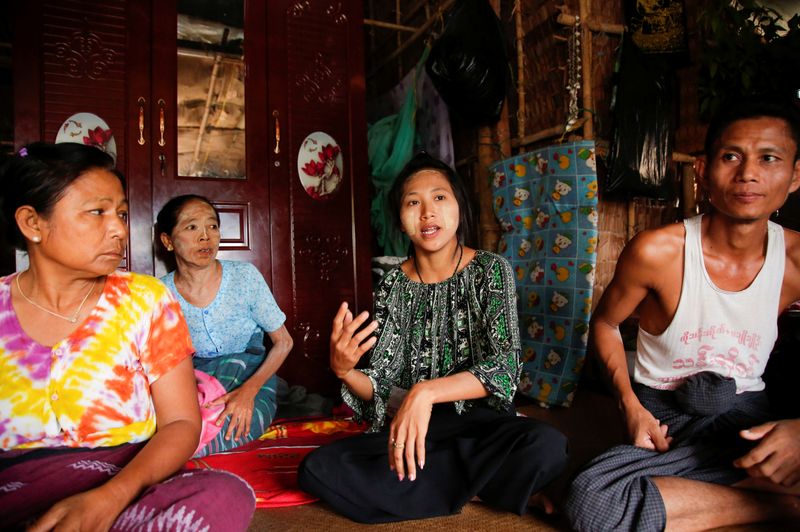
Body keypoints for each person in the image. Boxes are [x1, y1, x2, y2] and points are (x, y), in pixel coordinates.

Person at [565, 99, 800, 530]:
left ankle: (700, 491)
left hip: (750, 419)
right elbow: (605, 324)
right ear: (703, 169)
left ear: (795, 175)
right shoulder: (658, 252)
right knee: (591, 502)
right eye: (732, 156)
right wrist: (629, 405)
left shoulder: (796, 258)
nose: (748, 173)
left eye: (769, 158)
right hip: (664, 421)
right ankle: (776, 502)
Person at [297, 152, 568, 523]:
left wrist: (427, 392)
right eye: (413, 202)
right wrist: (343, 370)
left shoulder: (490, 269)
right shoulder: (393, 284)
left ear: (459, 205)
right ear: (401, 219)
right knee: (318, 468)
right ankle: (483, 488)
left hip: (483, 426)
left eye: (440, 197)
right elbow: (384, 389)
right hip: (416, 432)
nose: (428, 212)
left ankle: (447, 486)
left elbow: (505, 367)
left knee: (546, 446)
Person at [0, 142, 254, 530]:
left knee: (221, 494)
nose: (119, 229)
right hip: (18, 486)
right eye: (96, 212)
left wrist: (110, 497)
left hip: (126, 480)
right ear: (33, 223)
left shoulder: (144, 300)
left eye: (120, 213)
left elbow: (182, 422)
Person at [157, 194, 293, 457]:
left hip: (250, 375)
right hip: (192, 380)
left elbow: (284, 342)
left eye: (212, 226)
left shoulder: (244, 277)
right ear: (168, 241)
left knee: (228, 430)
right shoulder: (160, 293)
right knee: (167, 430)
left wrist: (248, 392)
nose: (205, 236)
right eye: (191, 227)